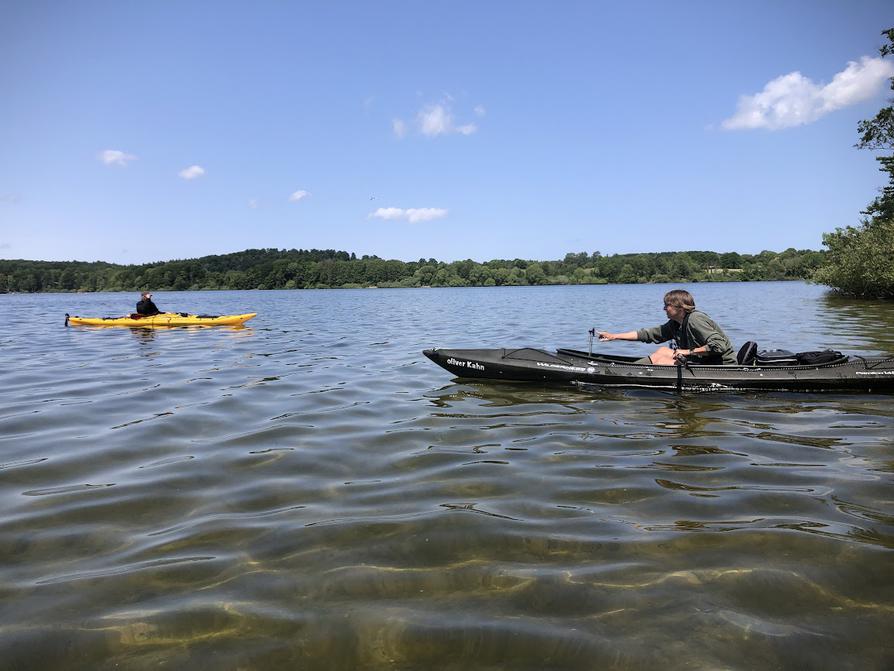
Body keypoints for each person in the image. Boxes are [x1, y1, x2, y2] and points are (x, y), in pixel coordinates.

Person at [596, 289, 735, 365]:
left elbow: (719, 345)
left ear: (680, 307)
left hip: (720, 365)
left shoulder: (695, 319)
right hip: (702, 360)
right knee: (662, 350)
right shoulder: (675, 323)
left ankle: (628, 372)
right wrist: (614, 336)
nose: (664, 309)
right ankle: (628, 370)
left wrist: (688, 352)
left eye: (667, 305)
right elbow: (648, 334)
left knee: (661, 360)